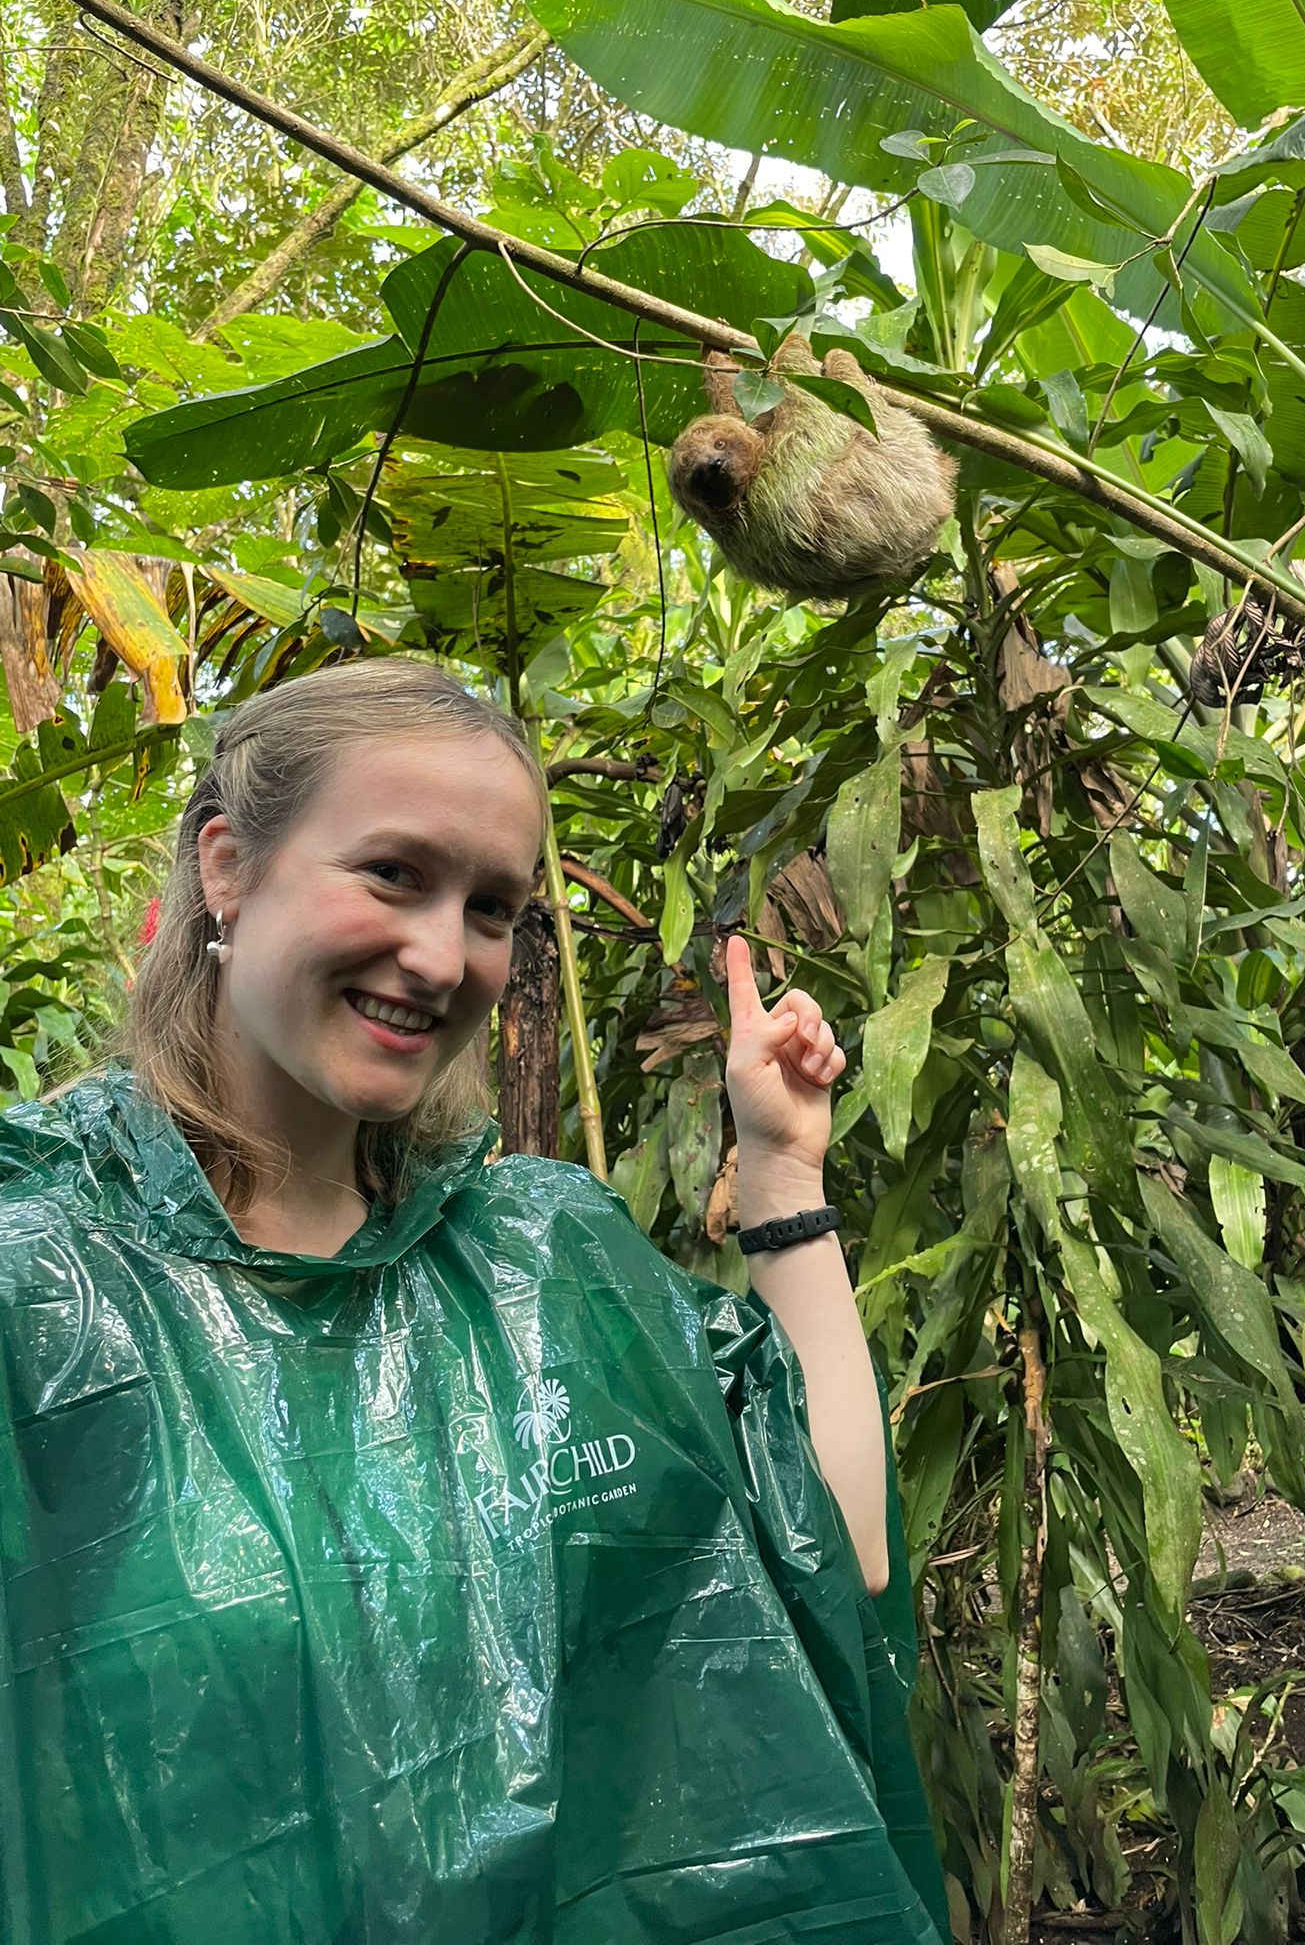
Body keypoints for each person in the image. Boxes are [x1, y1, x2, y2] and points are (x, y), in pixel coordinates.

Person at [0, 659, 947, 1945]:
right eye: (392, 872)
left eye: (492, 907)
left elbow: (834, 1548)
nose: (442, 954)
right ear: (227, 863)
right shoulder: (42, 1279)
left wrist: (781, 1171)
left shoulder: (540, 1269)